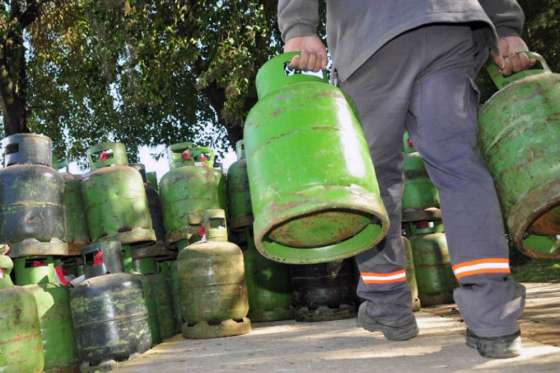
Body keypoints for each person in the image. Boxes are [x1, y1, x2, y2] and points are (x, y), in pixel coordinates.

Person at [278, 0, 533, 359]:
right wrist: (505, 26)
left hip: (370, 36)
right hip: (449, 24)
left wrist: (299, 27)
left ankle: (389, 306)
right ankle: (495, 319)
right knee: (460, 168)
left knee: (374, 182)